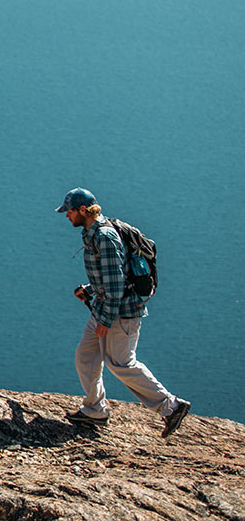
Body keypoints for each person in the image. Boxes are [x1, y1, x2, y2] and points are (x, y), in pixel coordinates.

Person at [56, 187, 191, 437]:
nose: (67, 216)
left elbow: (116, 284)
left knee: (121, 363)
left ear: (83, 210)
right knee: (86, 356)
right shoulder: (93, 232)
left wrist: (106, 319)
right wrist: (90, 289)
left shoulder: (104, 237)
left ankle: (171, 407)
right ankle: (94, 410)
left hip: (120, 313)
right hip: (104, 308)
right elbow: (111, 277)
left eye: (70, 211)